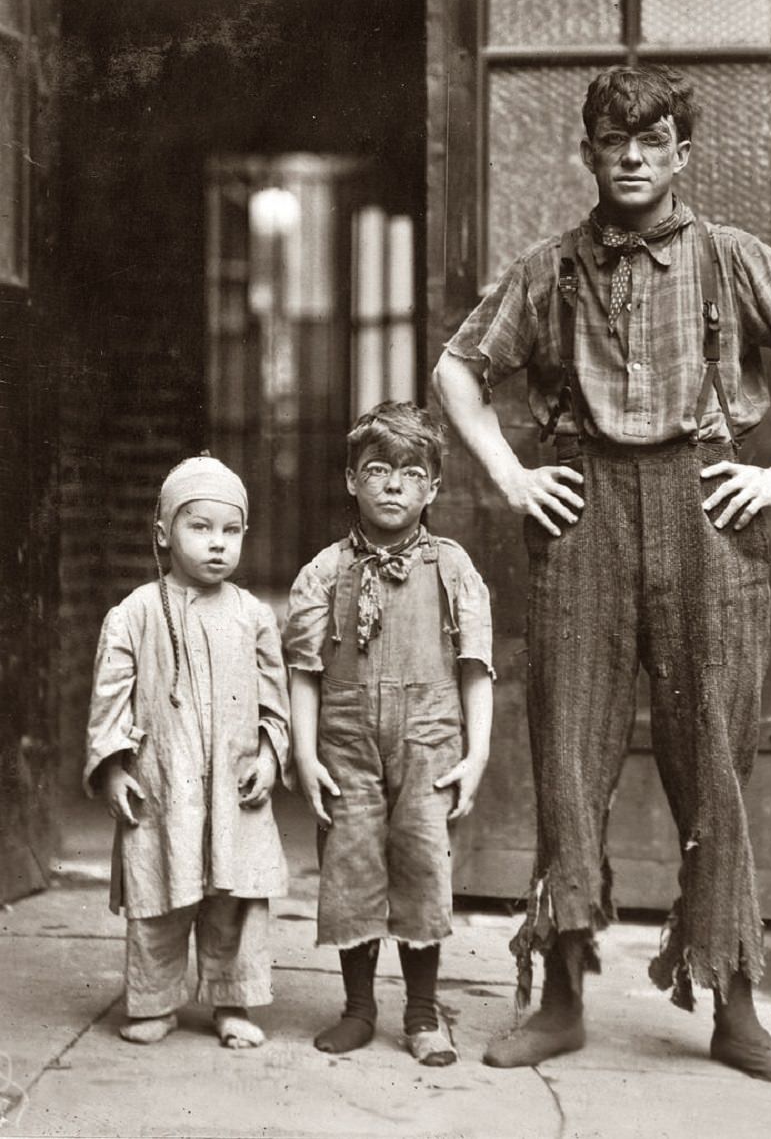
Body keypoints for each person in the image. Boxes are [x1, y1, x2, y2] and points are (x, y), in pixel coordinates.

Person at [433, 65, 771, 1086]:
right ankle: (559, 997)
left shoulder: (731, 260)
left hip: (707, 518)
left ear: (681, 152)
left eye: (651, 139)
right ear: (587, 152)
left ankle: (733, 1003)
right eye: (611, 138)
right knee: (568, 755)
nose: (630, 155)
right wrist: (507, 472)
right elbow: (457, 367)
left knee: (712, 761)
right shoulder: (548, 270)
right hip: (582, 517)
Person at [283, 401, 494, 1067]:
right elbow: (305, 672)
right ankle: (358, 1008)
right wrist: (304, 753)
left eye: (411, 472)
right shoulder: (323, 571)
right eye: (377, 469)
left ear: (433, 487)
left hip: (429, 739)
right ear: (351, 480)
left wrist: (478, 752)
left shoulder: (453, 568)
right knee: (351, 865)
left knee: (423, 864)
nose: (393, 485)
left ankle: (424, 1011)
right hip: (345, 741)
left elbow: (476, 668)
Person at [84, 456, 291, 1049]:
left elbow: (274, 701)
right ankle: (153, 1001)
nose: (217, 544)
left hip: (234, 786)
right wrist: (115, 767)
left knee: (235, 898)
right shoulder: (135, 613)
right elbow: (110, 700)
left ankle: (233, 1000)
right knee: (158, 894)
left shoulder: (253, 615)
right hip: (162, 782)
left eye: (231, 531)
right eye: (199, 528)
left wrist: (271, 757)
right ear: (163, 534)